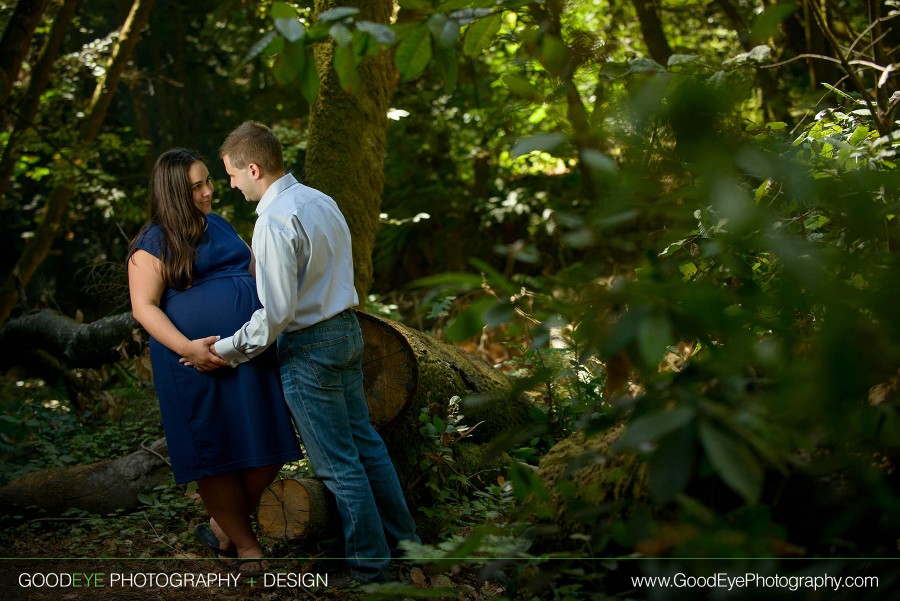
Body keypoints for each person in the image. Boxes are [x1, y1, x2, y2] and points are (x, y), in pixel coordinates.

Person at [192, 121, 419, 583]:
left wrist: (227, 349)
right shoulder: (320, 200)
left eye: (232, 174)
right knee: (366, 448)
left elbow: (276, 315)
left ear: (253, 168)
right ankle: (407, 548)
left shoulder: (274, 221)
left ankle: (371, 571)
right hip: (347, 331)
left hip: (310, 347)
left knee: (339, 466)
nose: (230, 185)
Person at [126, 148, 302, 572]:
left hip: (248, 350)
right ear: (172, 193)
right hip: (192, 362)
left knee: (269, 443)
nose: (209, 192)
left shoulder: (219, 224)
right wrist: (188, 348)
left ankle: (224, 525)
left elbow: (255, 263)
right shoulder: (151, 244)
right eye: (197, 186)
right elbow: (144, 307)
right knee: (214, 451)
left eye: (208, 181)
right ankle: (245, 544)